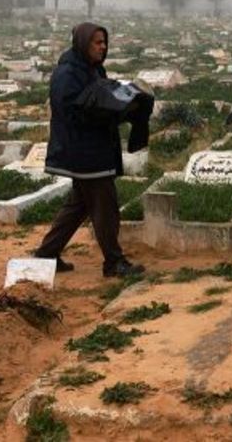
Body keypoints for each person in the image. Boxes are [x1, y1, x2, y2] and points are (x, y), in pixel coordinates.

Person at [34, 23, 144, 278]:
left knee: (79, 205)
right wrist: (104, 113)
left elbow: (101, 97)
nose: (102, 47)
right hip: (84, 152)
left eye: (104, 42)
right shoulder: (68, 74)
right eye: (97, 42)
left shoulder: (93, 69)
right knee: (105, 206)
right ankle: (113, 262)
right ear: (83, 43)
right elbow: (71, 111)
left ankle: (47, 254)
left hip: (95, 148)